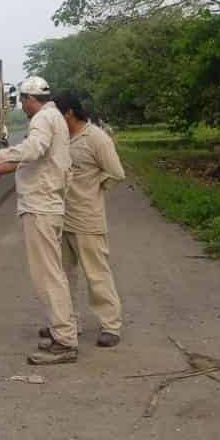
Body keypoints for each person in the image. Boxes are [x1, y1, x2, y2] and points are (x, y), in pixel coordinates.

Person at [0, 77, 77, 365]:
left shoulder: (42, 119)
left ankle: (64, 341)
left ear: (28, 99)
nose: (22, 107)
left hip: (41, 205)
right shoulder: (54, 118)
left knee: (47, 276)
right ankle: (60, 331)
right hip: (48, 204)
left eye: (22, 102)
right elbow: (30, 157)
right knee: (52, 273)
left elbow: (32, 150)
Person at [52, 92, 125, 348]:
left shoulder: (96, 138)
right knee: (63, 276)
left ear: (69, 113)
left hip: (88, 220)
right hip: (62, 217)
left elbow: (116, 173)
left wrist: (94, 189)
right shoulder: (61, 138)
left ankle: (111, 326)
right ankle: (68, 323)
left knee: (97, 275)